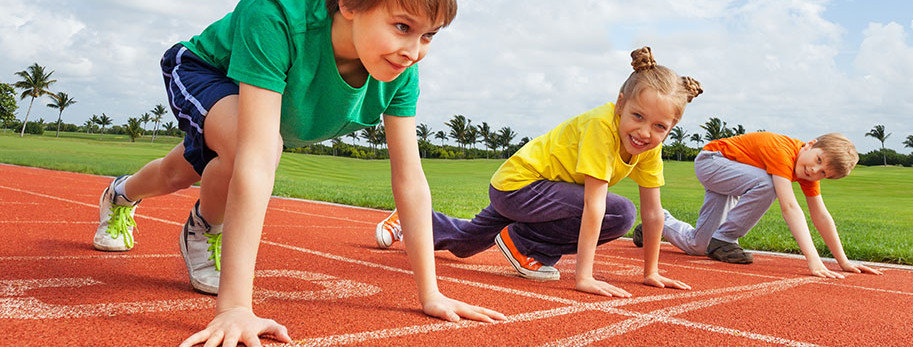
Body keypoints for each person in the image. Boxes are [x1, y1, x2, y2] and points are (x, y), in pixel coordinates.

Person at [89, 0, 505, 347]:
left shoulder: (400, 71)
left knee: (177, 172)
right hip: (208, 71)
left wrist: (429, 293)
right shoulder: (275, 16)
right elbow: (254, 158)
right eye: (402, 26)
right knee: (255, 151)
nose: (413, 51)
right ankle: (203, 229)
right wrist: (235, 308)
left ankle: (122, 194)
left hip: (264, 112)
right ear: (348, 5)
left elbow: (410, 179)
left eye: (428, 35)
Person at [375, 47, 700, 297]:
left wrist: (651, 271)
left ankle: (410, 219)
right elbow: (594, 204)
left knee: (465, 243)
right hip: (521, 187)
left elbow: (654, 213)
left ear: (671, 127)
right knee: (620, 213)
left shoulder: (649, 147)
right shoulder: (603, 127)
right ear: (620, 105)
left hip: (540, 194)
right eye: (638, 116)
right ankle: (525, 244)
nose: (645, 132)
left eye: (660, 126)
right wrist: (583, 277)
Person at [633, 132, 882, 279]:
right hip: (713, 161)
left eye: (823, 173)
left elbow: (820, 214)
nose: (814, 170)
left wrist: (843, 261)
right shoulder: (783, 151)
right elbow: (790, 208)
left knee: (700, 246)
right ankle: (725, 239)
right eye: (818, 160)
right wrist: (814, 260)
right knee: (769, 184)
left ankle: (657, 223)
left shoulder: (806, 172)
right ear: (810, 144)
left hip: (732, 175)